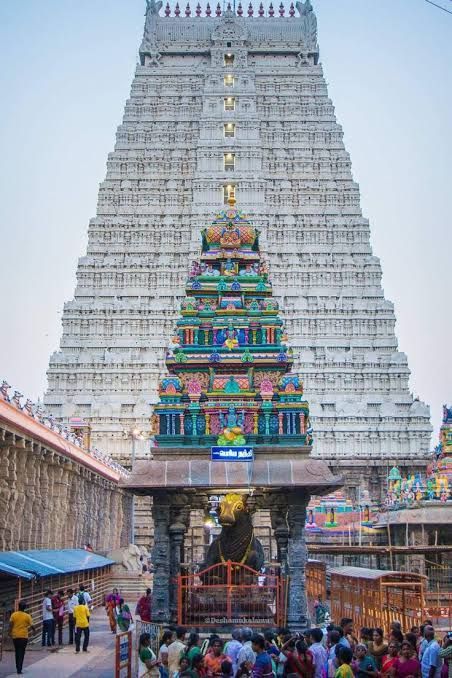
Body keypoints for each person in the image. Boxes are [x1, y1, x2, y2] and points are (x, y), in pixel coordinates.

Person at [9, 600, 35, 675]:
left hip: (15, 636)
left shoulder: (14, 615)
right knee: (22, 652)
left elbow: (11, 624)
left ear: (18, 607)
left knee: (17, 651)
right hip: (23, 637)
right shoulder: (27, 616)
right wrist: (34, 631)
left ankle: (17, 667)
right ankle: (19, 668)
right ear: (25, 608)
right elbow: (32, 625)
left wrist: (9, 632)